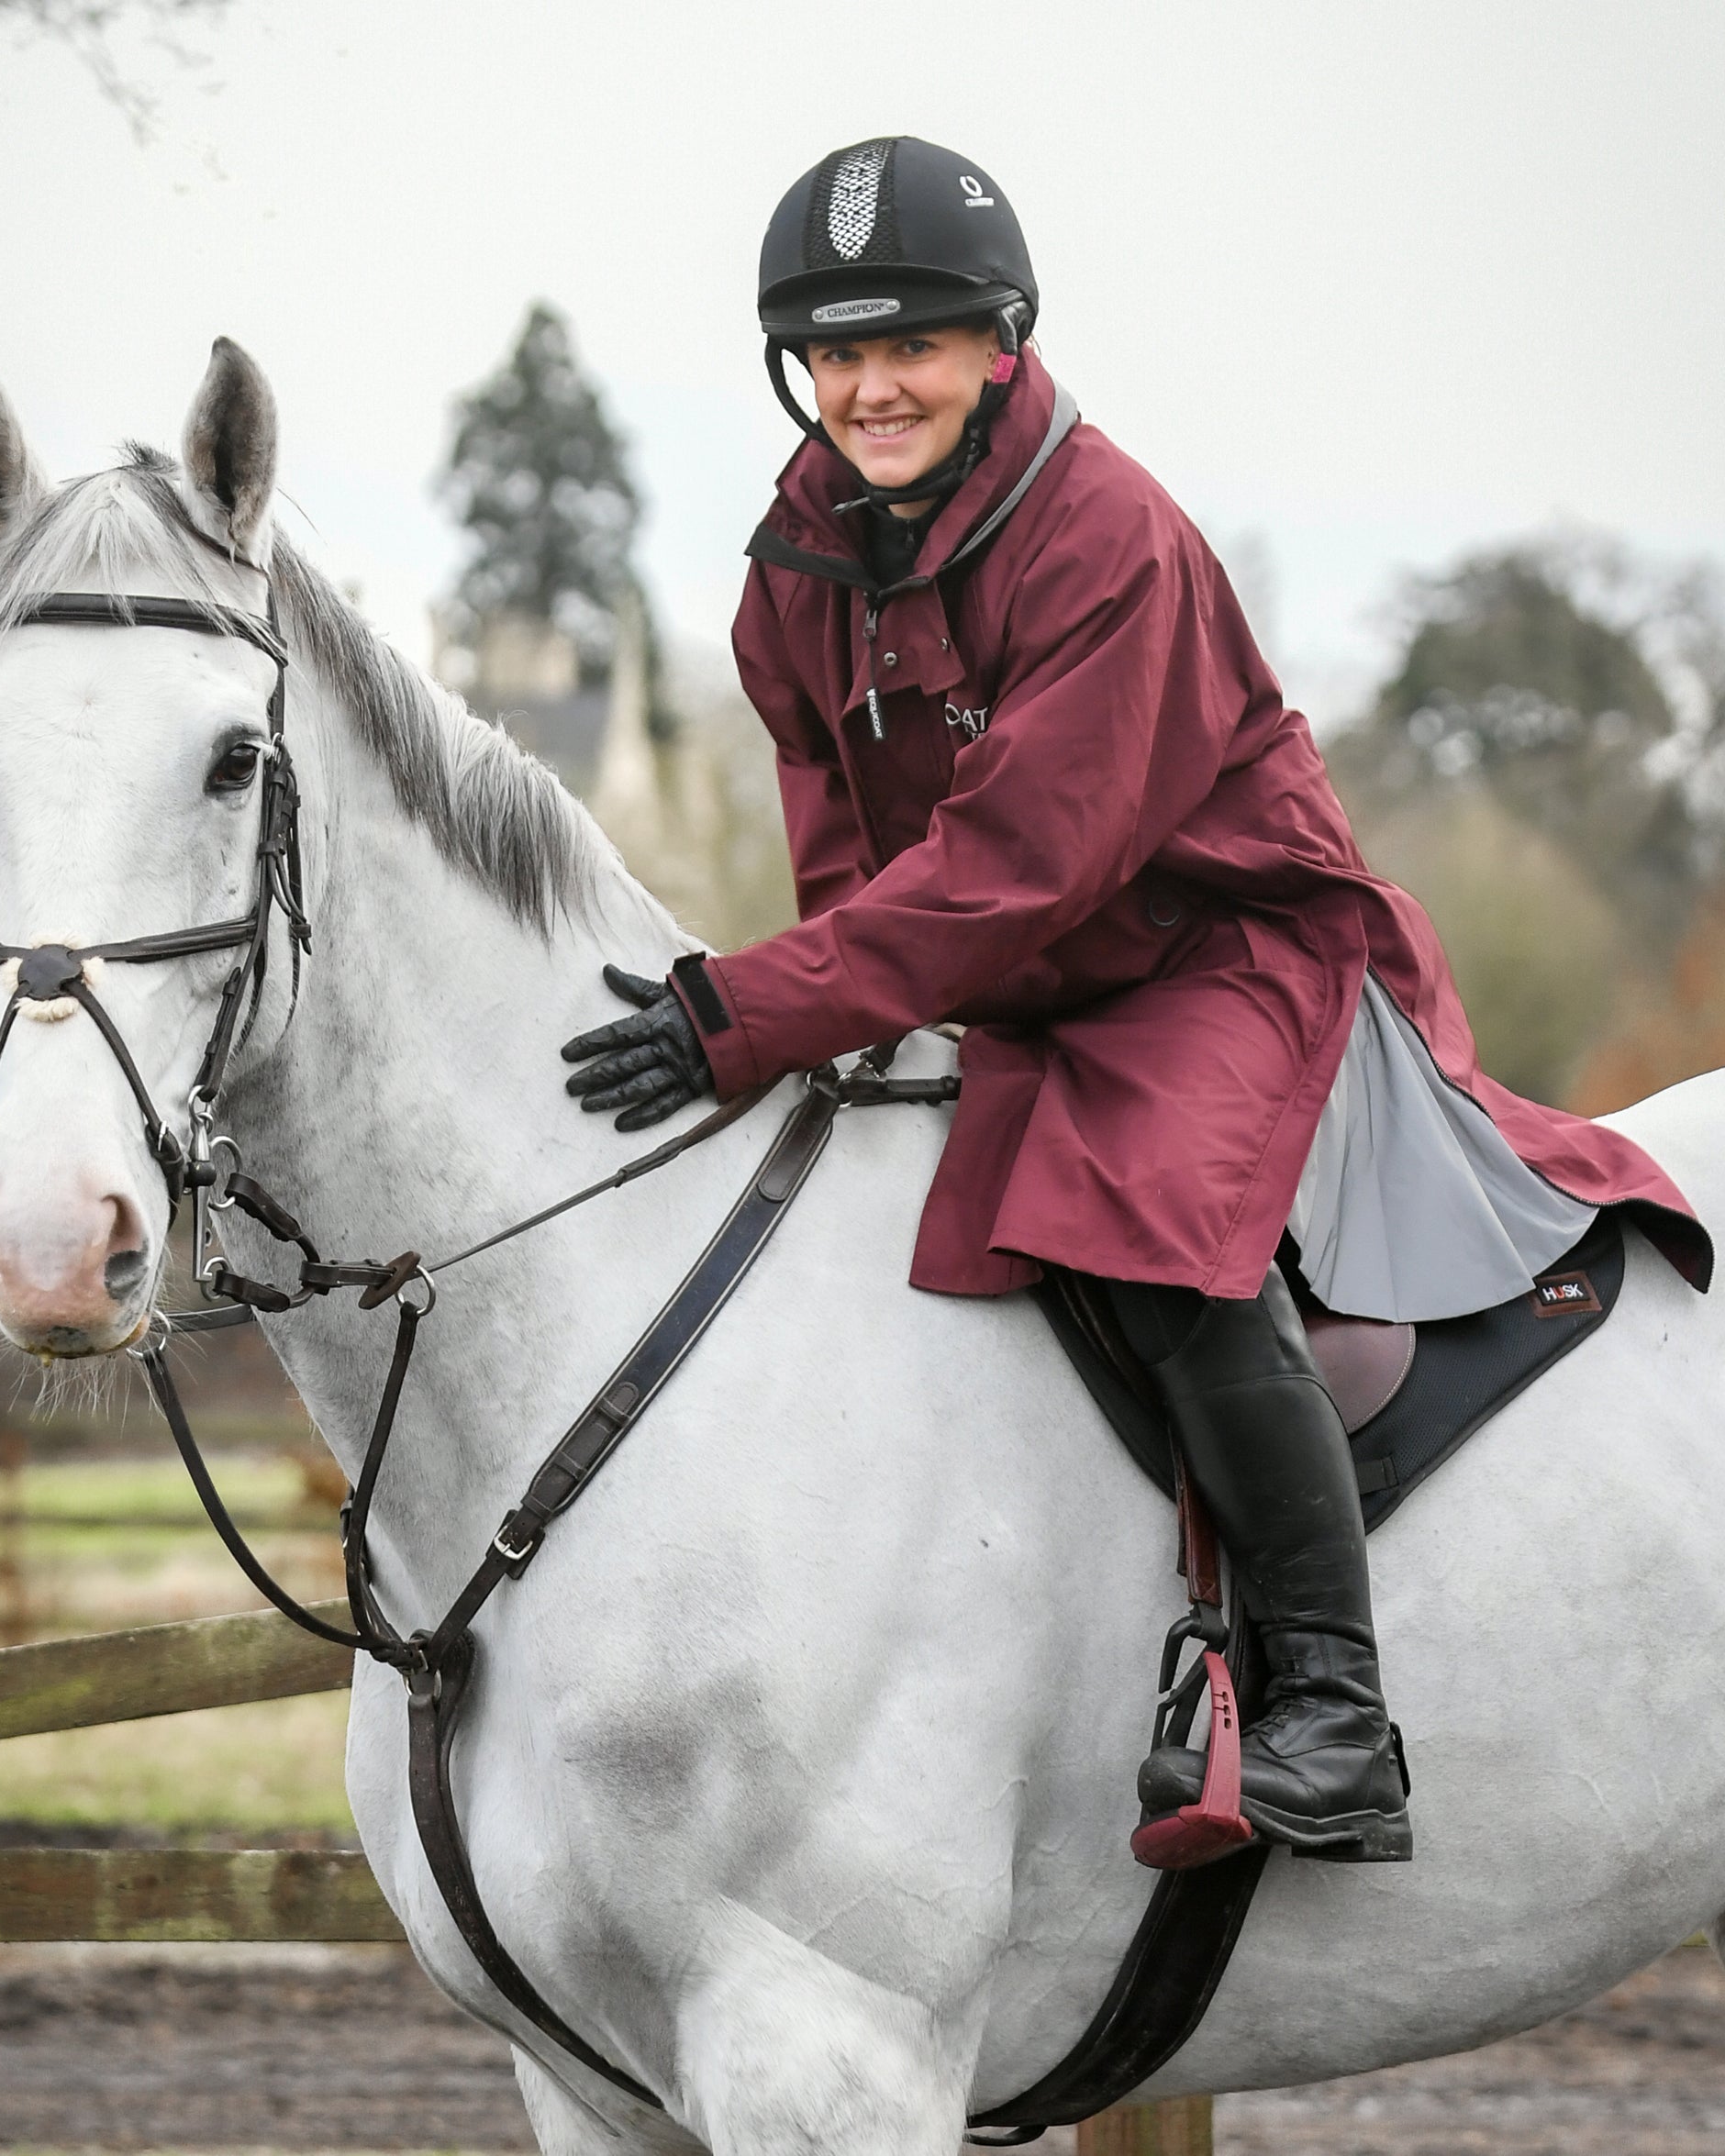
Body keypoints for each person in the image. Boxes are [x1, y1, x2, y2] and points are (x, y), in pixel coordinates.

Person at [561, 136, 1710, 1863]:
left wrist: (741, 1012)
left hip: (1218, 946)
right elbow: (850, 877)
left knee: (1145, 1223)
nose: (870, 388)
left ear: (999, 344)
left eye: (913, 346)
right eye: (835, 354)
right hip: (1008, 972)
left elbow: (1019, 862)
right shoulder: (787, 575)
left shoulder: (1112, 537)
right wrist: (813, 1026)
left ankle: (1332, 1709)